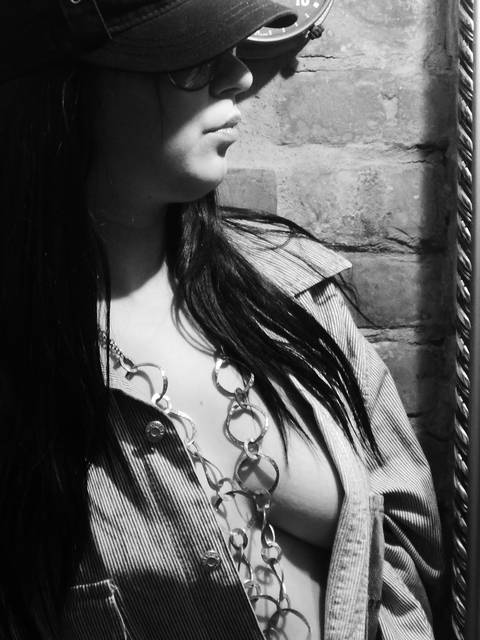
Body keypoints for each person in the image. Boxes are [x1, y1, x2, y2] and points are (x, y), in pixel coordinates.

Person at [0, 1, 442, 639]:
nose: (240, 77)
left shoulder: (297, 291)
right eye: (191, 61)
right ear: (70, 93)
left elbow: (406, 541)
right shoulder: (26, 385)